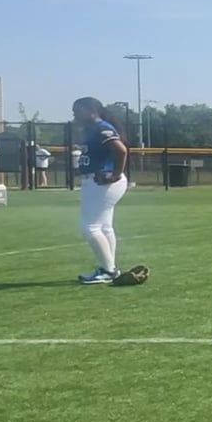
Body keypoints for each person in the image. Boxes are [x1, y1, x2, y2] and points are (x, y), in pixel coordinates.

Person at [71, 96, 130, 284]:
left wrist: (115, 174)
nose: (75, 115)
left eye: (78, 110)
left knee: (89, 226)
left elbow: (121, 150)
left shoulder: (101, 127)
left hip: (102, 181)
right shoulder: (91, 129)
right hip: (97, 181)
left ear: (92, 111)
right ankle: (109, 268)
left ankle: (108, 270)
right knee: (104, 227)